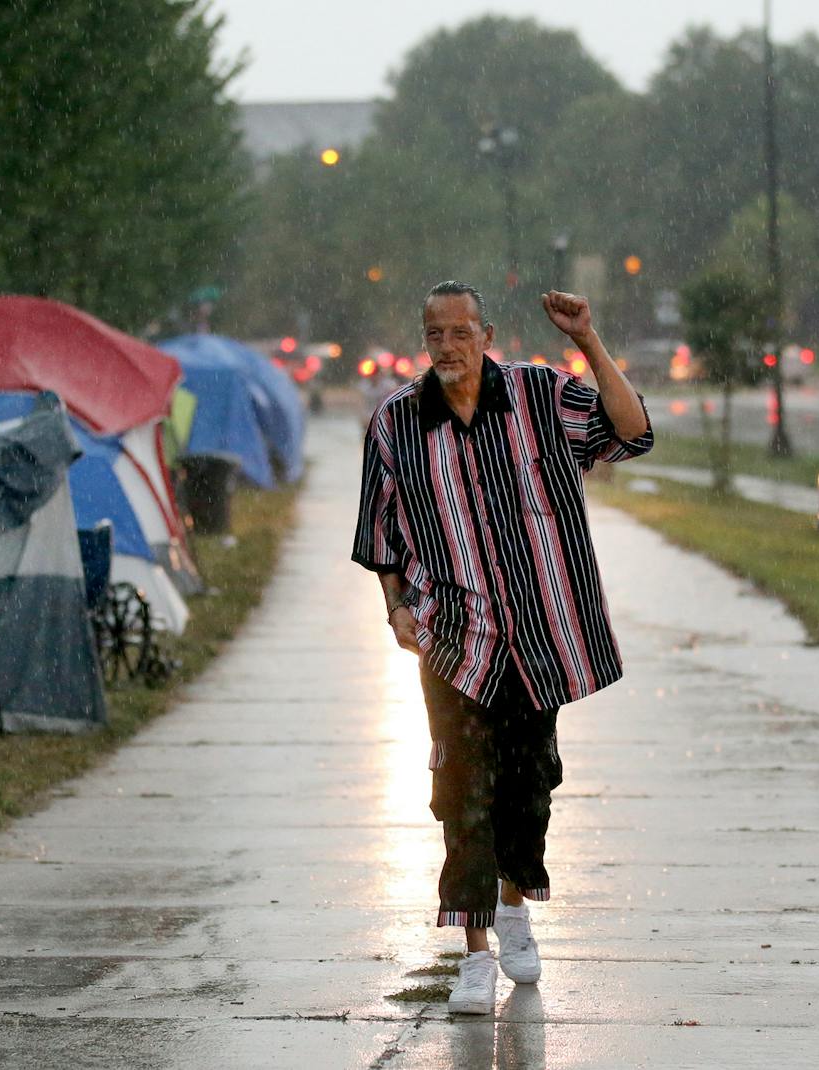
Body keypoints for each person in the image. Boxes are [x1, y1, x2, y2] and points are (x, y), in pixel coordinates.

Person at [351, 281, 653, 1014]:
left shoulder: (543, 396)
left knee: (528, 789)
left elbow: (632, 432)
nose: (448, 346)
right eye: (435, 334)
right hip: (455, 643)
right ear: (424, 341)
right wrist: (396, 610)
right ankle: (475, 955)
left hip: (541, 636)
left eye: (460, 332)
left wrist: (587, 340)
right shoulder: (395, 424)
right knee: (461, 795)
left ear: (486, 334)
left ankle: (515, 908)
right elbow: (381, 534)